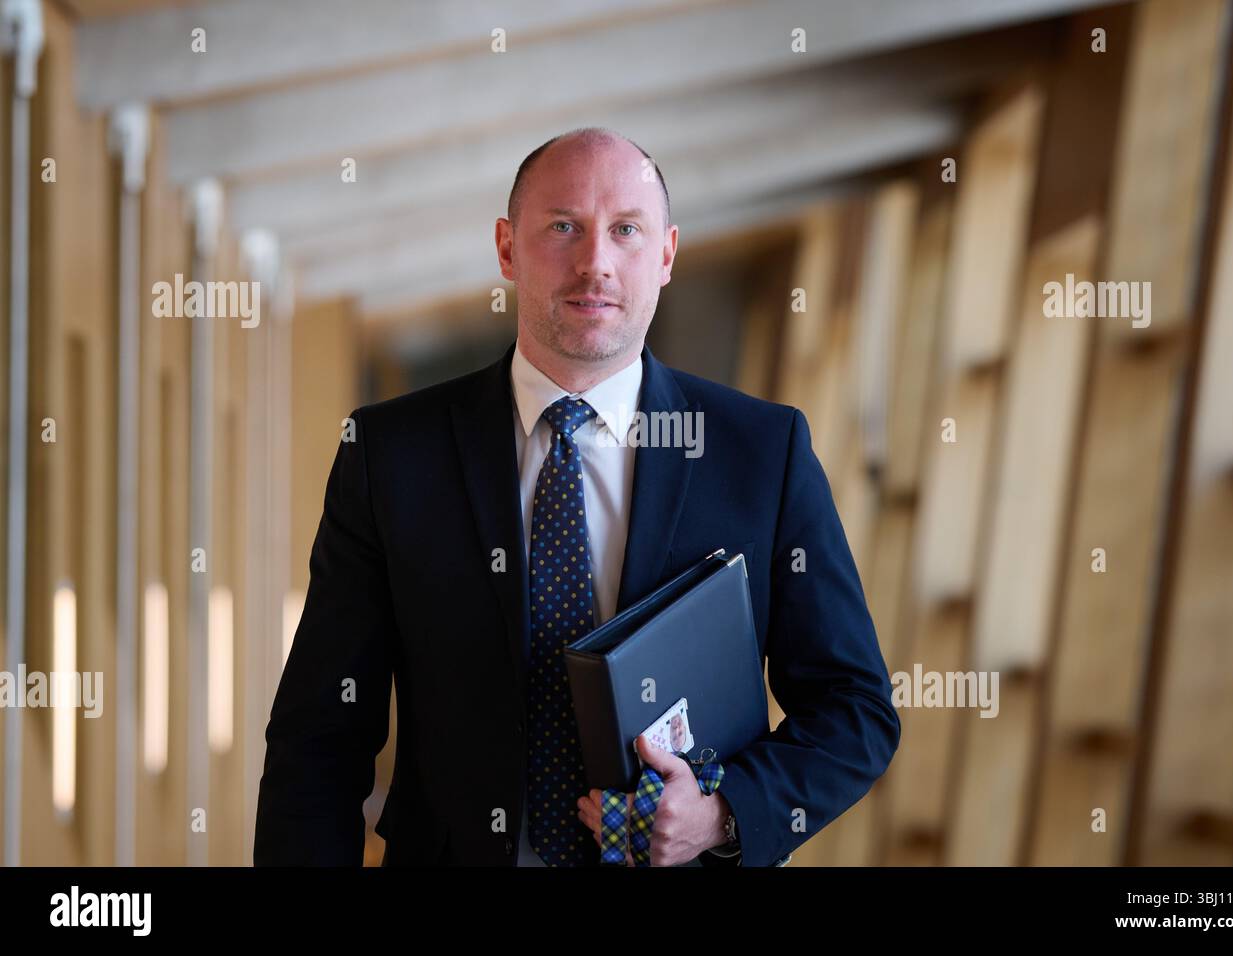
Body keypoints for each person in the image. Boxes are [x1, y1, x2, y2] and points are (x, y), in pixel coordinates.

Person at [253, 127, 900, 867]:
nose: (596, 262)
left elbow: (855, 713)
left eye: (626, 230)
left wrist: (723, 813)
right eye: (563, 227)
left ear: (665, 254)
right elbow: (319, 735)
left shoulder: (760, 452)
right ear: (506, 248)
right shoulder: (393, 455)